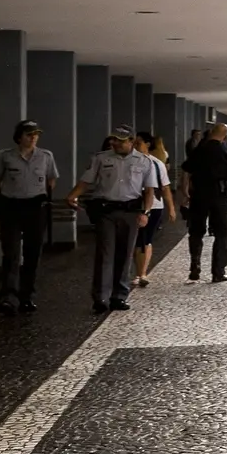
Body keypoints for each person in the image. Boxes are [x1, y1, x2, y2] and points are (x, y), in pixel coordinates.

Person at [65, 126, 171, 314]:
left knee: (125, 254)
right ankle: (101, 297)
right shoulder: (101, 158)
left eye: (121, 140)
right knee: (105, 254)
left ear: (131, 141)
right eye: (113, 139)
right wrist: (72, 196)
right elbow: (86, 181)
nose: (115, 143)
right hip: (106, 211)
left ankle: (119, 296)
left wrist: (145, 213)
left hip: (131, 212)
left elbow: (149, 191)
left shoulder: (144, 161)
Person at [0, 119, 58, 314]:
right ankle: (8, 297)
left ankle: (27, 296)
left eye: (36, 134)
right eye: (29, 134)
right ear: (19, 137)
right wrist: (1, 199)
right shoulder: (5, 156)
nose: (33, 138)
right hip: (12, 206)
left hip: (35, 207)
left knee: (32, 253)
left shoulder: (46, 156)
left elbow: (51, 180)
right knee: (11, 252)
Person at [181, 121, 227, 281]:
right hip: (218, 195)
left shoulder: (199, 149)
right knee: (222, 233)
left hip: (199, 195)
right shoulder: (226, 152)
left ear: (212, 132)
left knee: (196, 231)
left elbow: (186, 171)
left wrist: (185, 192)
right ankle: (218, 271)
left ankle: (195, 264)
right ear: (224, 135)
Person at [131, 131, 174, 289]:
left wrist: (171, 208)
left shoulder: (156, 163)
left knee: (145, 239)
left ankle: (141, 273)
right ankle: (139, 272)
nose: (135, 145)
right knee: (137, 240)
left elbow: (165, 187)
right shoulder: (131, 162)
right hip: (132, 205)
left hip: (154, 205)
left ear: (148, 144)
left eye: (138, 142)